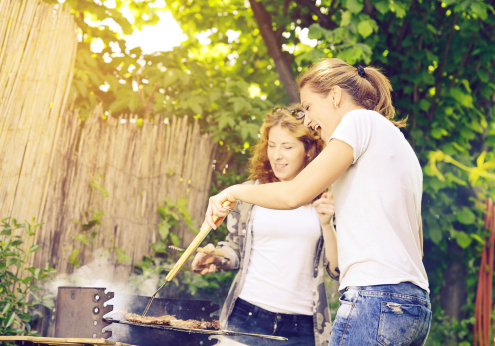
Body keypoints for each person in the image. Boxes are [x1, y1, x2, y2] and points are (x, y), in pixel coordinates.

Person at [204, 58, 432, 346]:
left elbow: (292, 195)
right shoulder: (399, 145)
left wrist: (232, 192)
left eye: (309, 107)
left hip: (375, 299)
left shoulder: (357, 120)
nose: (308, 121)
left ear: (335, 96)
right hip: (414, 305)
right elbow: (418, 247)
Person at [192, 105, 338, 346]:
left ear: (308, 150)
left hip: (301, 329)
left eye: (287, 147)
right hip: (245, 316)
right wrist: (216, 256)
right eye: (272, 145)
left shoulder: (327, 198)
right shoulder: (251, 193)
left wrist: (327, 225)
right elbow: (235, 251)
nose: (277, 155)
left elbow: (336, 270)